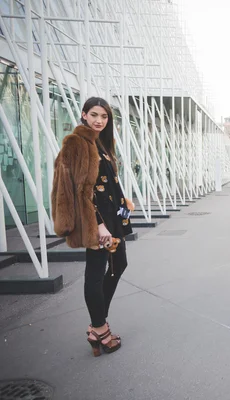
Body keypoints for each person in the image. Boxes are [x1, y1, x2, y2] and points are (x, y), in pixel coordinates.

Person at [52, 97, 133, 356]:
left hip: (112, 220)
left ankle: (97, 324)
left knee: (118, 264)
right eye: (94, 115)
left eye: (104, 116)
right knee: (97, 271)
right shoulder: (76, 144)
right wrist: (98, 225)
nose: (99, 120)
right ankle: (100, 328)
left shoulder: (101, 144)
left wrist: (124, 206)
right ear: (84, 115)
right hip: (97, 223)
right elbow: (79, 190)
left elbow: (109, 183)